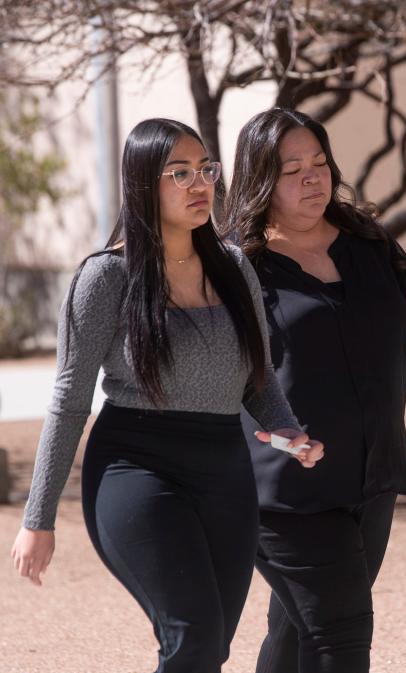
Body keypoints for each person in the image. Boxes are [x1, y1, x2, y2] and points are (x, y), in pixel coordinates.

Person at [10, 118, 324, 673]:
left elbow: (258, 379)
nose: (198, 183)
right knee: (193, 638)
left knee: (211, 647)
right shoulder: (106, 277)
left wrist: (290, 431)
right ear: (142, 185)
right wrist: (39, 518)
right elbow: (69, 401)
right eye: (178, 173)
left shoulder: (233, 268)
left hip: (225, 470)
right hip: (136, 468)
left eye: (205, 169)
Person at [224, 107, 406, 673]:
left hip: (373, 475)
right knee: (341, 634)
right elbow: (213, 370)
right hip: (285, 486)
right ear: (260, 180)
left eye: (320, 162)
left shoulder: (371, 244)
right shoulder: (238, 266)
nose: (313, 177)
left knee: (299, 627)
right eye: (292, 169)